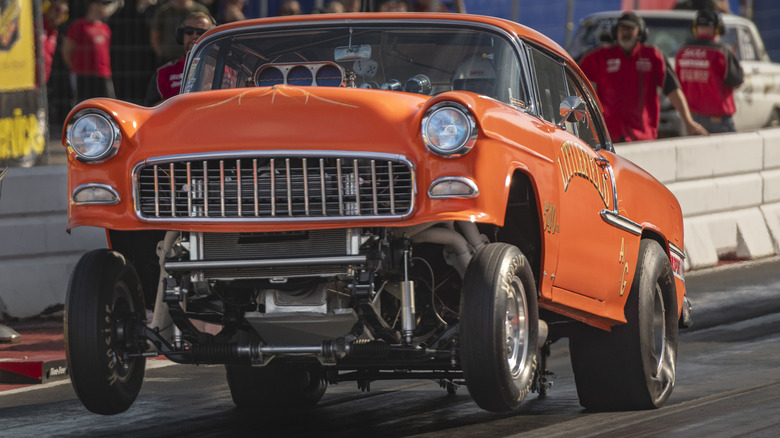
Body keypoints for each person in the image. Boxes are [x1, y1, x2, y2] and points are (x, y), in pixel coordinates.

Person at [579, 11, 707, 142]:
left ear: (640, 32)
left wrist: (688, 121)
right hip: (608, 136)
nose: (625, 32)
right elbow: (573, 77)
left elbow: (672, 89)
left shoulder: (652, 56)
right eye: (622, 28)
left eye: (630, 28)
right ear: (615, 31)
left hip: (641, 136)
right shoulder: (600, 56)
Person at [675, 9, 744, 133]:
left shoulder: (682, 52)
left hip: (690, 119)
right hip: (718, 121)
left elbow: (677, 85)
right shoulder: (721, 51)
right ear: (718, 28)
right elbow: (736, 82)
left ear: (695, 28)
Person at [144, 11, 216, 106]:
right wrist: (182, 100)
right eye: (189, 31)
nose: (194, 36)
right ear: (181, 35)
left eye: (201, 32)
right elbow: (151, 110)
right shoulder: (163, 73)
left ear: (212, 36)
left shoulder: (228, 71)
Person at [62, 0, 117, 102]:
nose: (105, 8)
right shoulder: (78, 26)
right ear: (93, 5)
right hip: (83, 75)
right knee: (83, 105)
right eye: (103, 4)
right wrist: (75, 66)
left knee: (106, 105)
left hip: (103, 74)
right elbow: (67, 50)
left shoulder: (105, 28)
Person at [150, 0, 210, 65]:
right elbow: (155, 37)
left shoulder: (200, 10)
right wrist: (162, 55)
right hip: (169, 58)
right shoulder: (163, 11)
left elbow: (209, 32)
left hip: (196, 57)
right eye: (189, 31)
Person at [41, 0, 69, 84]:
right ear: (47, 9)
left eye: (64, 12)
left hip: (43, 80)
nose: (60, 14)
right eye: (57, 9)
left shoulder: (55, 33)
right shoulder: (36, 26)